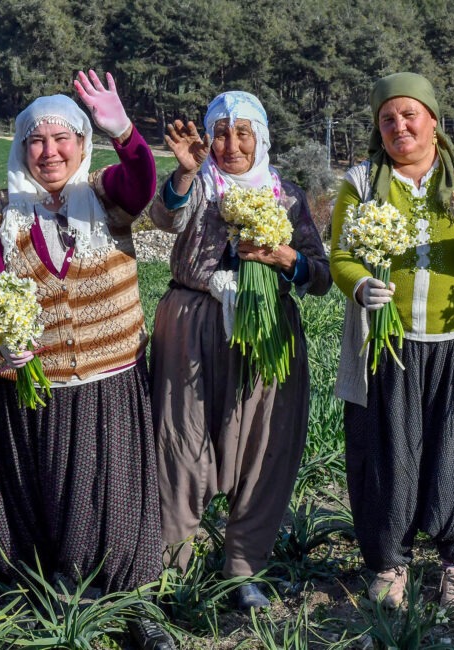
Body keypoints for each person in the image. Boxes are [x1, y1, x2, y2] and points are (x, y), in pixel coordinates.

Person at [0, 71, 175, 649]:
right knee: (49, 493)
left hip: (111, 376)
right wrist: (1, 338)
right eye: (37, 141)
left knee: (120, 495)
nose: (50, 152)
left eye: (63, 140)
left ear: (83, 145)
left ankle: (135, 606)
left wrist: (124, 130)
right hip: (38, 382)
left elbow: (142, 181)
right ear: (21, 147)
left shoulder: (106, 196)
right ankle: (54, 600)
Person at [329, 73, 454, 618]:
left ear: (434, 119)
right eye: (387, 119)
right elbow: (342, 254)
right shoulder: (362, 182)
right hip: (389, 345)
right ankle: (389, 563)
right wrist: (362, 285)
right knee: (388, 453)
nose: (399, 126)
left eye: (410, 114)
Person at [149, 91, 332, 610]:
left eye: (243, 133)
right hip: (192, 327)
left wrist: (283, 256)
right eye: (221, 134)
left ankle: (244, 568)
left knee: (263, 447)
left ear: (262, 139)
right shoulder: (198, 187)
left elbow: (318, 277)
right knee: (180, 443)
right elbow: (165, 219)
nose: (231, 145)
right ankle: (171, 568)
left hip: (267, 331)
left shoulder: (287, 195)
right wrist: (184, 174)